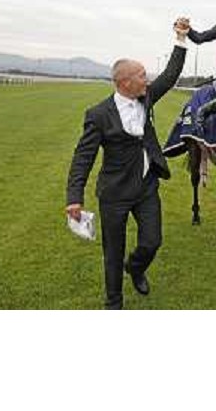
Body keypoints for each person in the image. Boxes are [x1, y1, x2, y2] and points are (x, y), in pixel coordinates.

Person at [65, 21, 188, 309]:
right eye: (142, 76)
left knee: (152, 242)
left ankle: (135, 267)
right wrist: (74, 197)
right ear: (124, 82)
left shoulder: (146, 97)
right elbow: (83, 157)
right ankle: (114, 302)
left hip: (146, 188)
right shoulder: (97, 115)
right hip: (114, 194)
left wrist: (181, 40)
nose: (148, 80)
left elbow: (170, 76)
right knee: (112, 250)